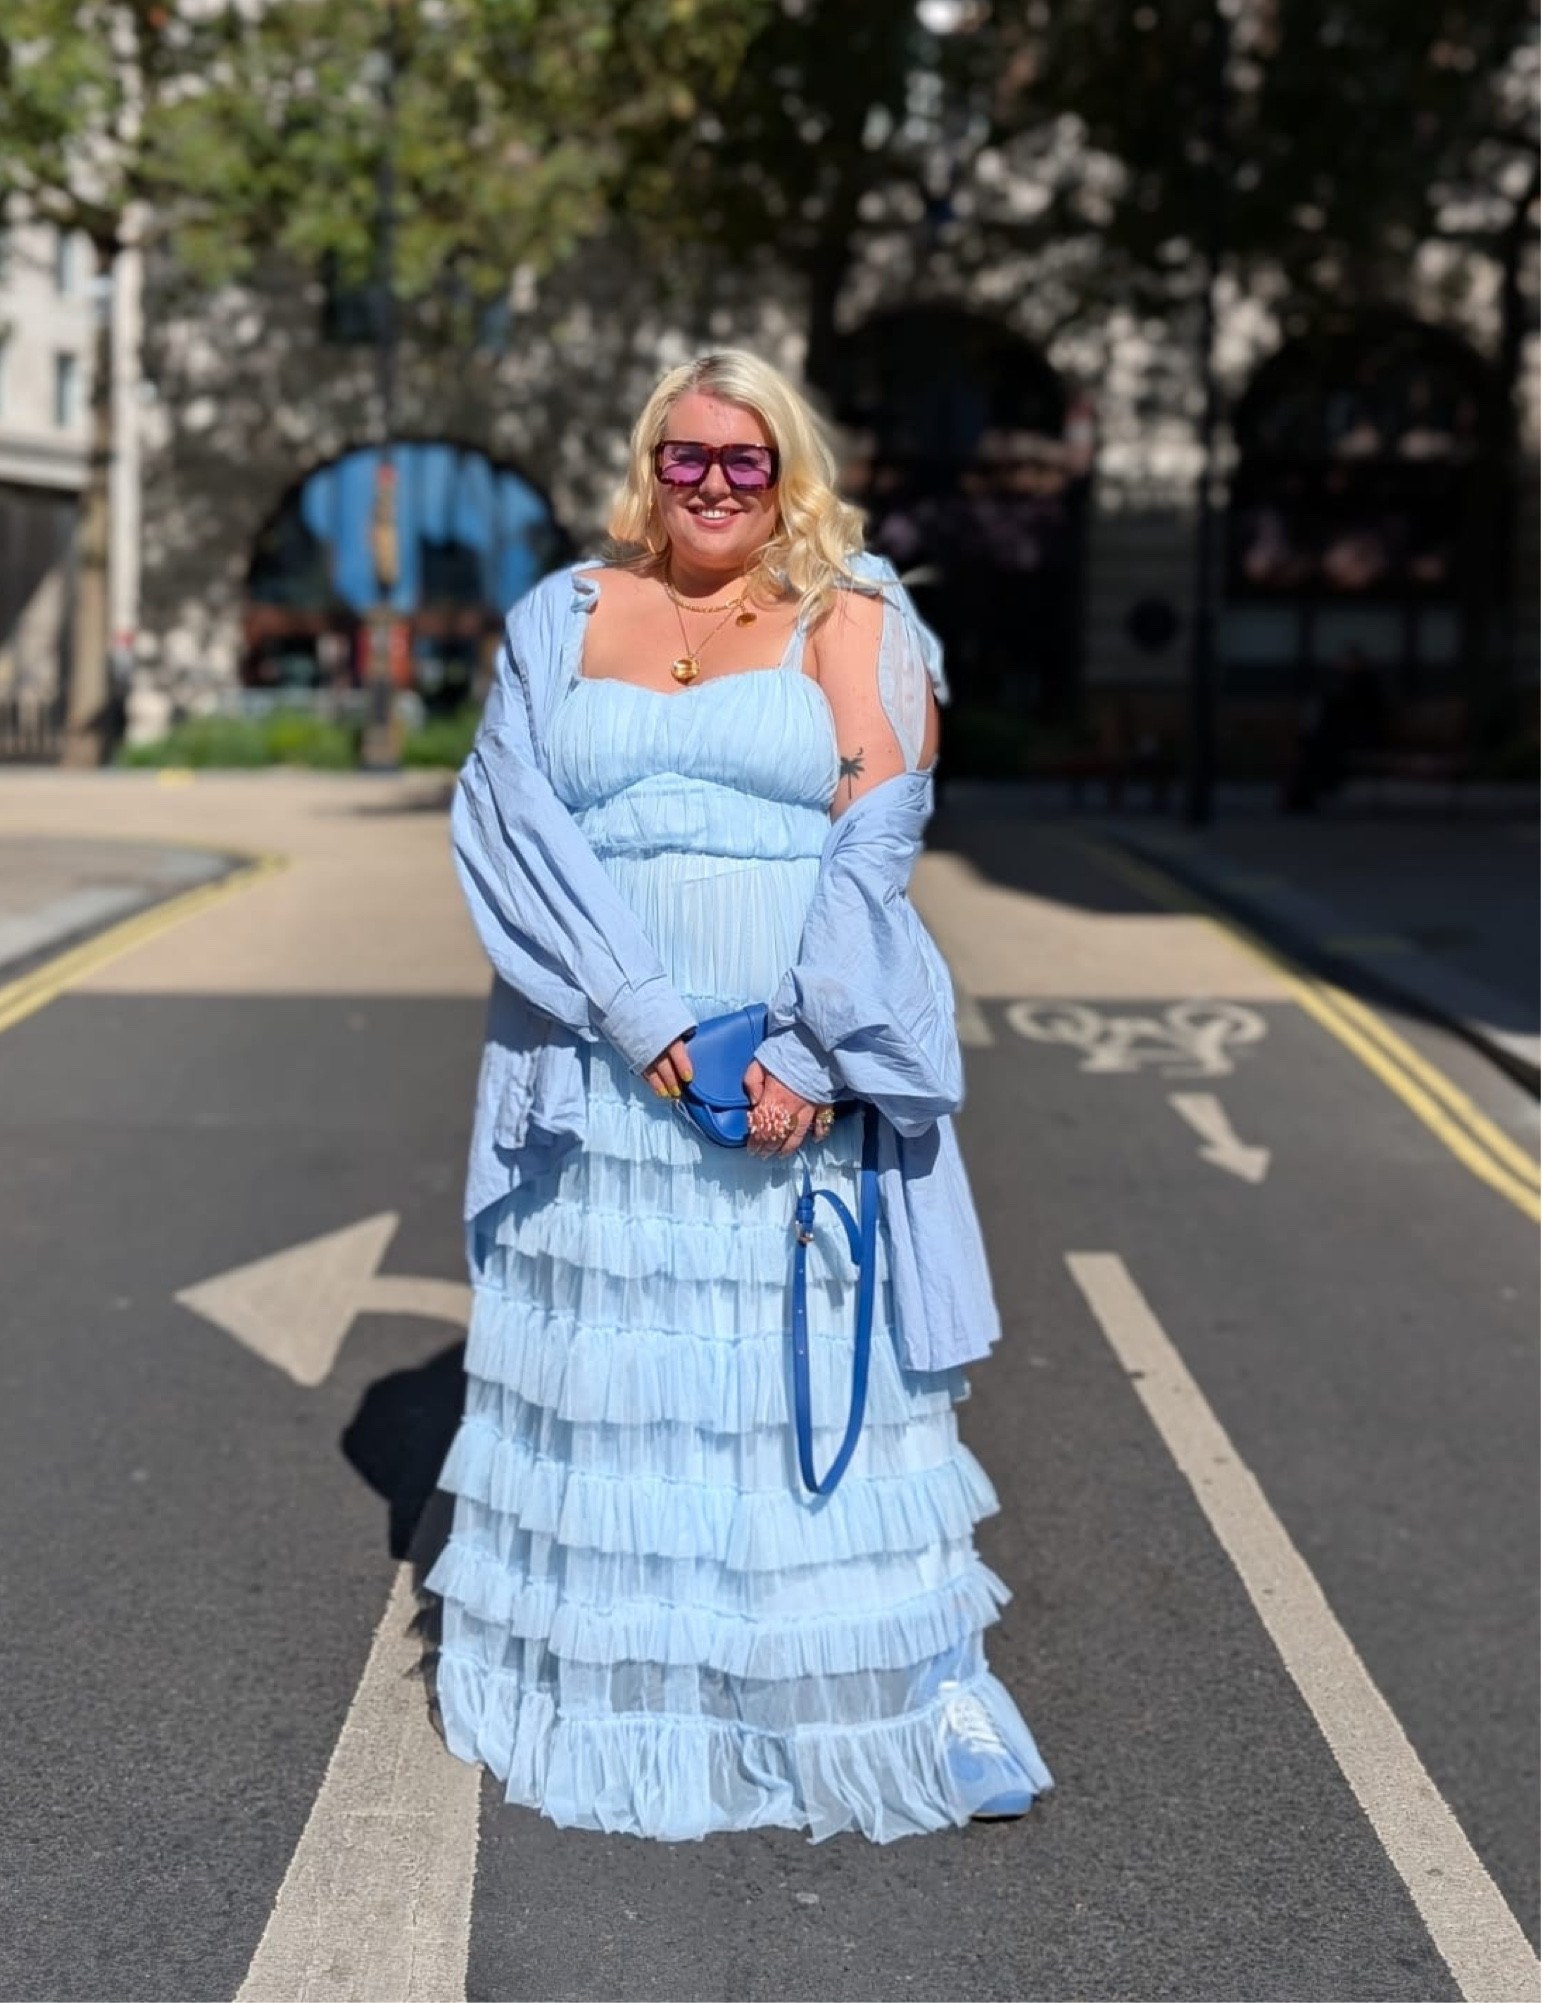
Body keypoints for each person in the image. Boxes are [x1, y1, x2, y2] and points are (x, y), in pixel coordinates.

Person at [427, 350, 1052, 1842]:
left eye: (745, 459)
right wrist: (644, 1019)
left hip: (792, 1056)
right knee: (629, 1389)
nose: (713, 483)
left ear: (788, 471)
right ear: (651, 464)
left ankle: (840, 1707)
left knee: (785, 1388)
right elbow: (508, 824)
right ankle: (648, 1708)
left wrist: (805, 1053)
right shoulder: (561, 614)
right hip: (603, 1060)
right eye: (687, 456)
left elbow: (875, 838)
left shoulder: (853, 615)